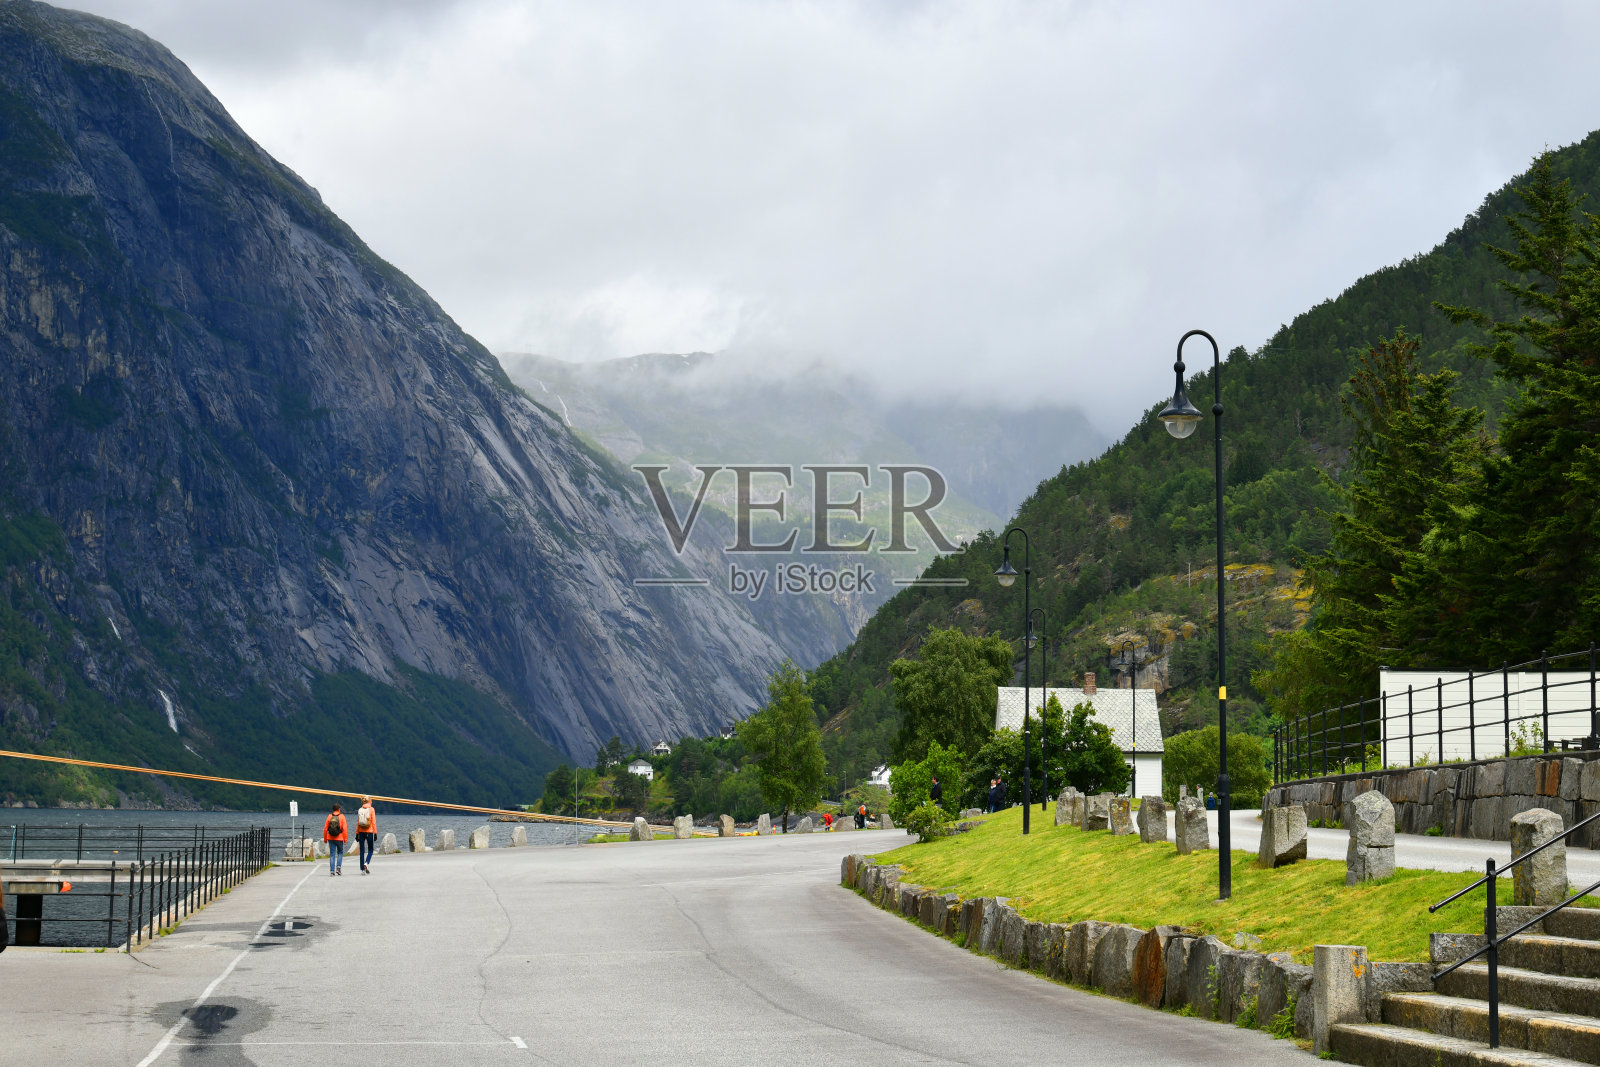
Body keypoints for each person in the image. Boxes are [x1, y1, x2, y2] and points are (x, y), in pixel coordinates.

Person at [354, 795, 378, 874]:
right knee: (370, 849)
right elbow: (373, 822)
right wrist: (375, 833)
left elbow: (358, 822)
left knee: (362, 851)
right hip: (369, 831)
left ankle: (362, 870)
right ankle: (366, 863)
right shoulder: (371, 809)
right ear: (369, 801)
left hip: (361, 831)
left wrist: (357, 833)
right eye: (371, 800)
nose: (372, 801)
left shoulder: (360, 809)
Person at [324, 803, 347, 876]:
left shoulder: (329, 816)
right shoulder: (342, 816)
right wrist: (345, 839)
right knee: (340, 852)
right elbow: (345, 829)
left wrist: (325, 838)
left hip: (330, 837)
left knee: (332, 854)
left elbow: (325, 829)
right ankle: (338, 868)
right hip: (339, 838)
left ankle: (332, 871)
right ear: (339, 809)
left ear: (333, 809)